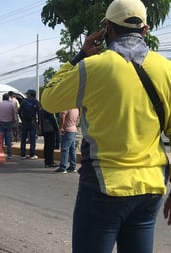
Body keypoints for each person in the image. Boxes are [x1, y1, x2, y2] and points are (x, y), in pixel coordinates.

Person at [41, 0, 171, 251]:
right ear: (146, 29)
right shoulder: (166, 69)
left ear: (107, 28)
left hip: (103, 187)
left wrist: (80, 55)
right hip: (151, 188)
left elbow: (49, 100)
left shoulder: (92, 68)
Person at [54, 109, 79, 173]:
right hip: (73, 129)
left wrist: (61, 127)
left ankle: (63, 167)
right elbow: (77, 119)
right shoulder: (76, 108)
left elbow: (62, 116)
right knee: (72, 149)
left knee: (65, 149)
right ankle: (73, 166)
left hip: (67, 130)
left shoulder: (66, 107)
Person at [18, 89, 40, 160]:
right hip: (32, 122)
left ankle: (23, 154)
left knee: (23, 138)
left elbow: (19, 111)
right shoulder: (36, 102)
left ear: (30, 94)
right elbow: (39, 113)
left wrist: (22, 119)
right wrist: (38, 123)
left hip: (24, 122)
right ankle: (32, 154)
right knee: (32, 139)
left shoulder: (24, 101)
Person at [0, 93, 16, 159]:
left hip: (1, 123)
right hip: (9, 123)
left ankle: (1, 153)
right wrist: (14, 123)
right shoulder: (11, 105)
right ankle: (9, 154)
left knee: (1, 140)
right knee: (9, 139)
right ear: (8, 98)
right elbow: (13, 115)